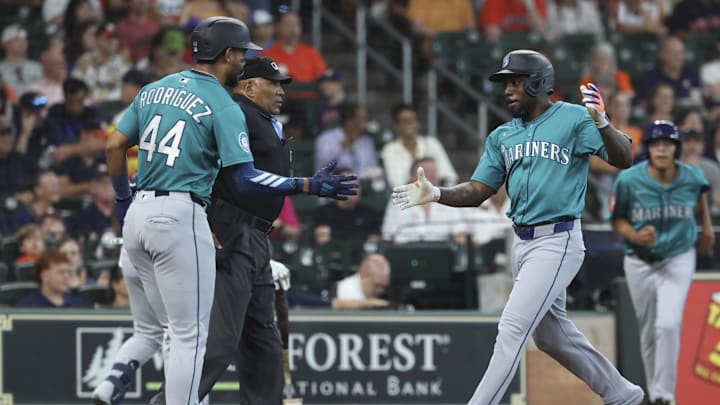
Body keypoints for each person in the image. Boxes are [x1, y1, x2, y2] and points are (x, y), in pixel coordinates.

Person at [98, 14, 356, 401]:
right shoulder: (225, 104)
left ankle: (115, 388)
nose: (243, 60)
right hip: (199, 220)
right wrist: (306, 184)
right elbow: (241, 178)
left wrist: (122, 200)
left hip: (146, 214)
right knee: (195, 337)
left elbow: (114, 145)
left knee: (208, 333)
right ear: (228, 55)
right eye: (242, 54)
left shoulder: (157, 88)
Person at [391, 49, 644, 405]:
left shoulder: (574, 118)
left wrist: (603, 122)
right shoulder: (502, 136)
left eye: (515, 82)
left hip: (558, 239)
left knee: (511, 329)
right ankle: (623, 394)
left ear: (539, 83)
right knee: (551, 337)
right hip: (522, 243)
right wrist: (436, 193)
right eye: (505, 83)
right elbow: (479, 190)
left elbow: (624, 158)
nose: (508, 90)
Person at [610, 120, 714, 405]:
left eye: (667, 143)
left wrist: (705, 226)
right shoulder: (629, 180)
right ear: (648, 149)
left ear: (676, 148)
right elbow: (616, 219)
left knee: (667, 324)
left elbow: (701, 194)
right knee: (648, 330)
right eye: (656, 144)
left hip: (678, 256)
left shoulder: (691, 176)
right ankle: (656, 390)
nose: (662, 149)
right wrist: (634, 234)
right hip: (639, 260)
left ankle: (663, 395)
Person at [15, 249, 86, 308]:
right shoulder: (27, 305)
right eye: (61, 272)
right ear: (44, 276)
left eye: (68, 272)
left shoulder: (77, 304)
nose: (66, 276)